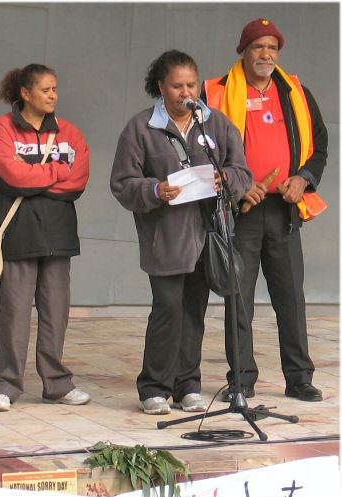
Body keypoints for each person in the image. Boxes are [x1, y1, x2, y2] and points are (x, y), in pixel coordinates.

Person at [110, 50, 252, 415]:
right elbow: (122, 182)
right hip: (166, 236)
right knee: (168, 309)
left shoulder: (215, 123)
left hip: (209, 233)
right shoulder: (141, 127)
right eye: (177, 85)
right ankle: (154, 387)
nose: (185, 92)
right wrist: (156, 190)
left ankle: (188, 384)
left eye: (191, 84)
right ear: (160, 86)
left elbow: (242, 171)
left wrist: (226, 179)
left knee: (194, 311)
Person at [201, 18, 328, 403]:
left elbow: (319, 144)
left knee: (291, 297)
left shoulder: (295, 92)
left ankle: (299, 378)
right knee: (237, 297)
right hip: (241, 210)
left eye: (272, 47)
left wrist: (303, 178)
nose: (266, 54)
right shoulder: (217, 94)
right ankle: (241, 379)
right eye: (258, 46)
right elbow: (201, 150)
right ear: (243, 51)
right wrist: (240, 187)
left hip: (285, 209)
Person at [0, 63, 91, 412]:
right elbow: (12, 177)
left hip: (58, 236)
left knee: (56, 311)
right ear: (25, 93)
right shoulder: (2, 130)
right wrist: (55, 172)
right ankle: (4, 384)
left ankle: (57, 384)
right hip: (18, 234)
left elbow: (77, 180)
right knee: (15, 312)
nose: (53, 96)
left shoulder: (69, 132)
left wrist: (35, 177)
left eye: (55, 89)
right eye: (46, 90)